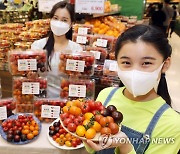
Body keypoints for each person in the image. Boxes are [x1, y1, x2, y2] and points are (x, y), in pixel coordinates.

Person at [84, 25, 180, 154]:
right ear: (116, 61)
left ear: (165, 64)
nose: (135, 72)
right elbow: (92, 149)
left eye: (146, 63)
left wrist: (125, 146)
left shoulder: (171, 123)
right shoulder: (105, 95)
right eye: (126, 63)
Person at [31, 1, 82, 98]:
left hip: (65, 105)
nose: (59, 23)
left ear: (71, 24)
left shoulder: (76, 50)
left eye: (64, 20)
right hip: (40, 102)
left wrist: (75, 78)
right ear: (50, 19)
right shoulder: (38, 46)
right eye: (55, 18)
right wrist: (31, 77)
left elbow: (77, 83)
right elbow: (33, 78)